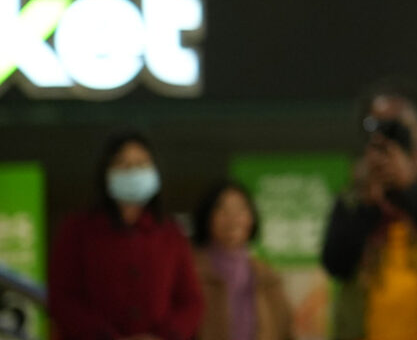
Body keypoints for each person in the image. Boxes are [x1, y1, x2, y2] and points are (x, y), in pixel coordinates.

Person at [321, 90, 417, 340]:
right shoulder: (355, 196)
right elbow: (336, 264)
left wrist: (410, 188)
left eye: (397, 126)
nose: (387, 137)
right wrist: (367, 204)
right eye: (378, 127)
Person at [48, 131, 204, 340]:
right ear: (106, 172)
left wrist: (164, 337)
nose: (132, 171)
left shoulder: (171, 232)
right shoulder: (77, 229)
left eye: (141, 164)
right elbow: (63, 298)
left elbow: (191, 301)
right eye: (123, 164)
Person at [193, 180, 294, 340]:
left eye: (240, 210)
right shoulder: (191, 272)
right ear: (207, 217)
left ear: (251, 218)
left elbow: (285, 331)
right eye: (223, 210)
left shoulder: (268, 276)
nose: (232, 219)